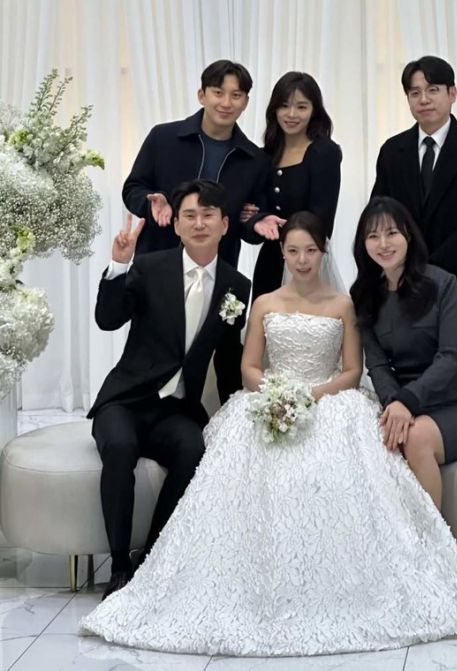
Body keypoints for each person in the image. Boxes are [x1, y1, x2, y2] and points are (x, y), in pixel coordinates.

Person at [81, 211, 457, 655]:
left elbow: (353, 371)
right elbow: (249, 367)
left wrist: (310, 396)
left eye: (310, 250)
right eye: (293, 251)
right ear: (282, 253)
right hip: (271, 400)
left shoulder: (346, 303)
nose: (302, 259)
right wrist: (275, 394)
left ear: (323, 251)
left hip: (329, 402)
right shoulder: (264, 302)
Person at [88, 179, 250, 600]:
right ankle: (119, 566)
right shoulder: (149, 266)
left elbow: (227, 357)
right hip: (125, 400)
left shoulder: (237, 286)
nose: (199, 223)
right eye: (189, 216)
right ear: (176, 224)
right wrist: (119, 265)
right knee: (120, 447)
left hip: (175, 410)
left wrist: (239, 410)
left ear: (225, 224)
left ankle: (152, 558)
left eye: (208, 215)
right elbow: (107, 320)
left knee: (192, 449)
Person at [351, 196, 457, 511]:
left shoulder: (443, 284)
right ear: (364, 244)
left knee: (415, 438)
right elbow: (377, 365)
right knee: (364, 441)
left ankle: (432, 539)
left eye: (392, 233)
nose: (383, 244)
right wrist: (394, 404)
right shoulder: (363, 295)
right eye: (373, 236)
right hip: (405, 404)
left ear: (408, 235)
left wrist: (407, 401)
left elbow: (450, 356)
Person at [371, 55, 457, 324]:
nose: (424, 100)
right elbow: (380, 214)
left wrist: (430, 267)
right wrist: (405, 266)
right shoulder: (393, 151)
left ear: (452, 93)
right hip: (403, 285)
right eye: (415, 93)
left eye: (433, 90)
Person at [122, 59, 281, 265]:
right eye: (218, 93)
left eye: (236, 95)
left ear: (246, 102)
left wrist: (256, 222)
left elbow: (250, 220)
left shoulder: (254, 159)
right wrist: (151, 204)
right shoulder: (163, 138)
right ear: (202, 95)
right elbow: (133, 188)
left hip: (218, 268)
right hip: (157, 261)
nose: (226, 103)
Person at [241, 71, 342, 299]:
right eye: (284, 106)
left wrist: (281, 232)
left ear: (314, 110)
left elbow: (322, 221)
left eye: (301, 107)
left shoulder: (324, 152)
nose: (291, 114)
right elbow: (250, 217)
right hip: (270, 262)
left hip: (306, 261)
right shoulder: (265, 155)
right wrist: (256, 220)